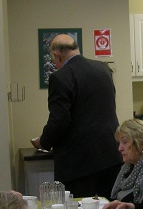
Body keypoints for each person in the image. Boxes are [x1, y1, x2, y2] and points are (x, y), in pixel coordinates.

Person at [31, 33, 121, 198]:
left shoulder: (60, 77)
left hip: (78, 161)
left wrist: (43, 142)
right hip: (110, 153)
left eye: (53, 60)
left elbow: (59, 120)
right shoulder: (103, 69)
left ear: (57, 55)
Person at [101, 119, 143, 209]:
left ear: (140, 143)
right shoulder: (126, 168)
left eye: (124, 142)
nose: (119, 148)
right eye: (119, 143)